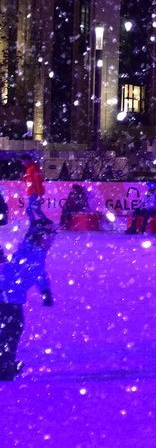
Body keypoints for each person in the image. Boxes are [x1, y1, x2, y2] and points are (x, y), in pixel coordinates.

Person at [0, 225, 56, 380]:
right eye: (49, 237)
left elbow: (39, 273)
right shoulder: (32, 253)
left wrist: (45, 290)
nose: (51, 241)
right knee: (11, 330)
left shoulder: (34, 251)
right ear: (40, 237)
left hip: (9, 295)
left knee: (10, 330)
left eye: (53, 238)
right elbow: (34, 273)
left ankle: (6, 364)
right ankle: (5, 368)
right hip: (8, 296)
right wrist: (45, 291)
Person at [20, 154, 51, 228]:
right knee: (36, 209)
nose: (22, 163)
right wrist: (23, 178)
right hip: (32, 192)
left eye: (23, 161)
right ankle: (45, 221)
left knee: (30, 209)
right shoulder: (30, 168)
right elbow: (29, 182)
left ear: (27, 160)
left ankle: (34, 223)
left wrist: (39, 194)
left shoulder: (33, 168)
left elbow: (38, 181)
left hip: (34, 192)